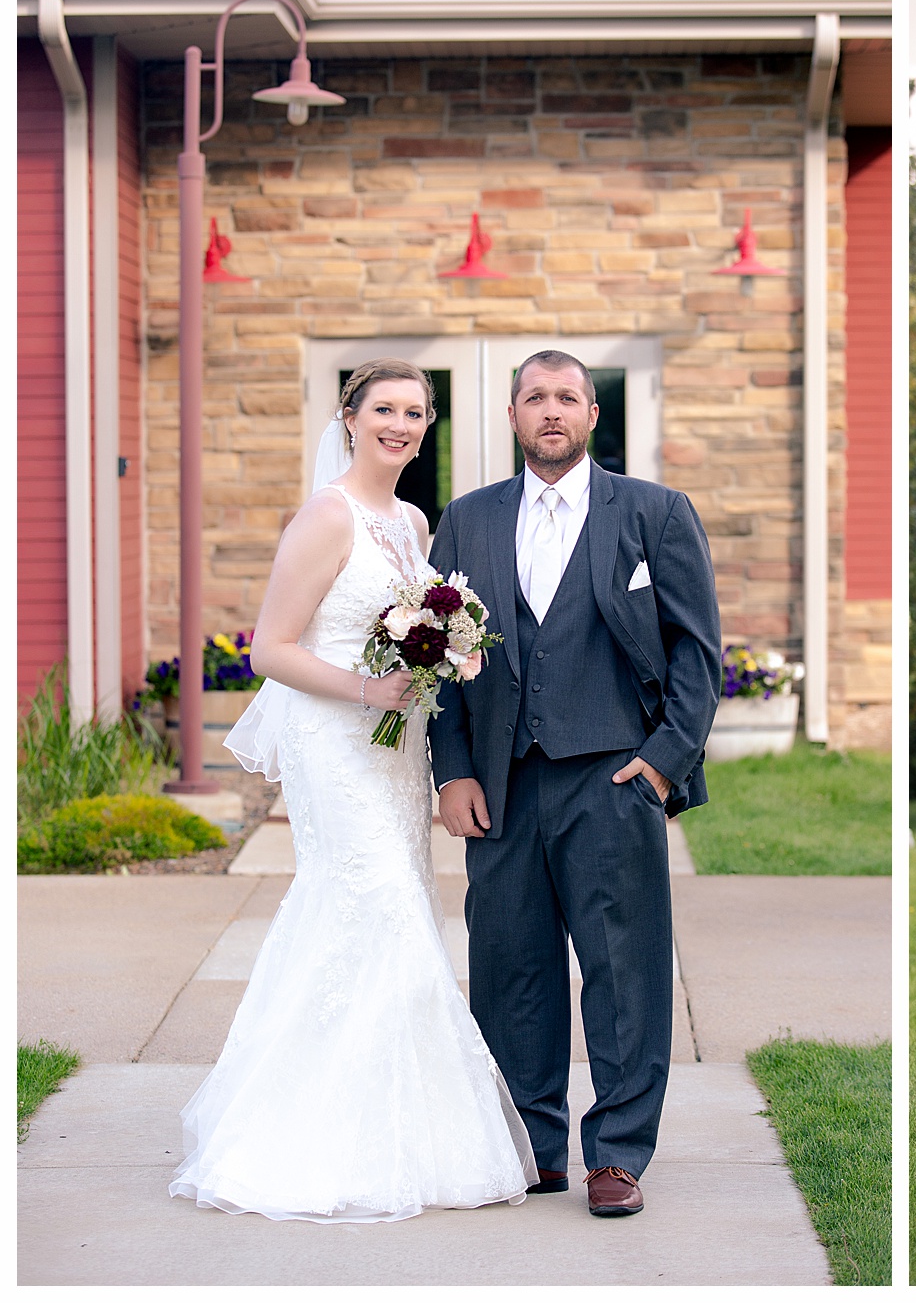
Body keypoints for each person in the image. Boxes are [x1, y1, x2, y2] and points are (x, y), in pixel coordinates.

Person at [173, 359, 536, 1222]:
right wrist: (371, 689)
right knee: (378, 909)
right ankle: (310, 1141)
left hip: (394, 750)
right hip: (339, 744)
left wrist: (453, 652)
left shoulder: (412, 521)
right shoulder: (326, 516)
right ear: (349, 416)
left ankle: (397, 1129)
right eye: (384, 408)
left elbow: (427, 625)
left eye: (415, 412)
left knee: (392, 906)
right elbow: (270, 650)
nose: (400, 425)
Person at [427, 349, 721, 1217]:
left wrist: (664, 760)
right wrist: (452, 771)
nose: (550, 411)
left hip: (613, 777)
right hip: (503, 784)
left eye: (566, 397)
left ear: (593, 414)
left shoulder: (656, 514)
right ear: (513, 417)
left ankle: (618, 1154)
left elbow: (697, 655)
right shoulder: (467, 520)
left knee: (624, 971)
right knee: (510, 968)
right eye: (534, 398)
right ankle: (532, 1145)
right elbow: (437, 662)